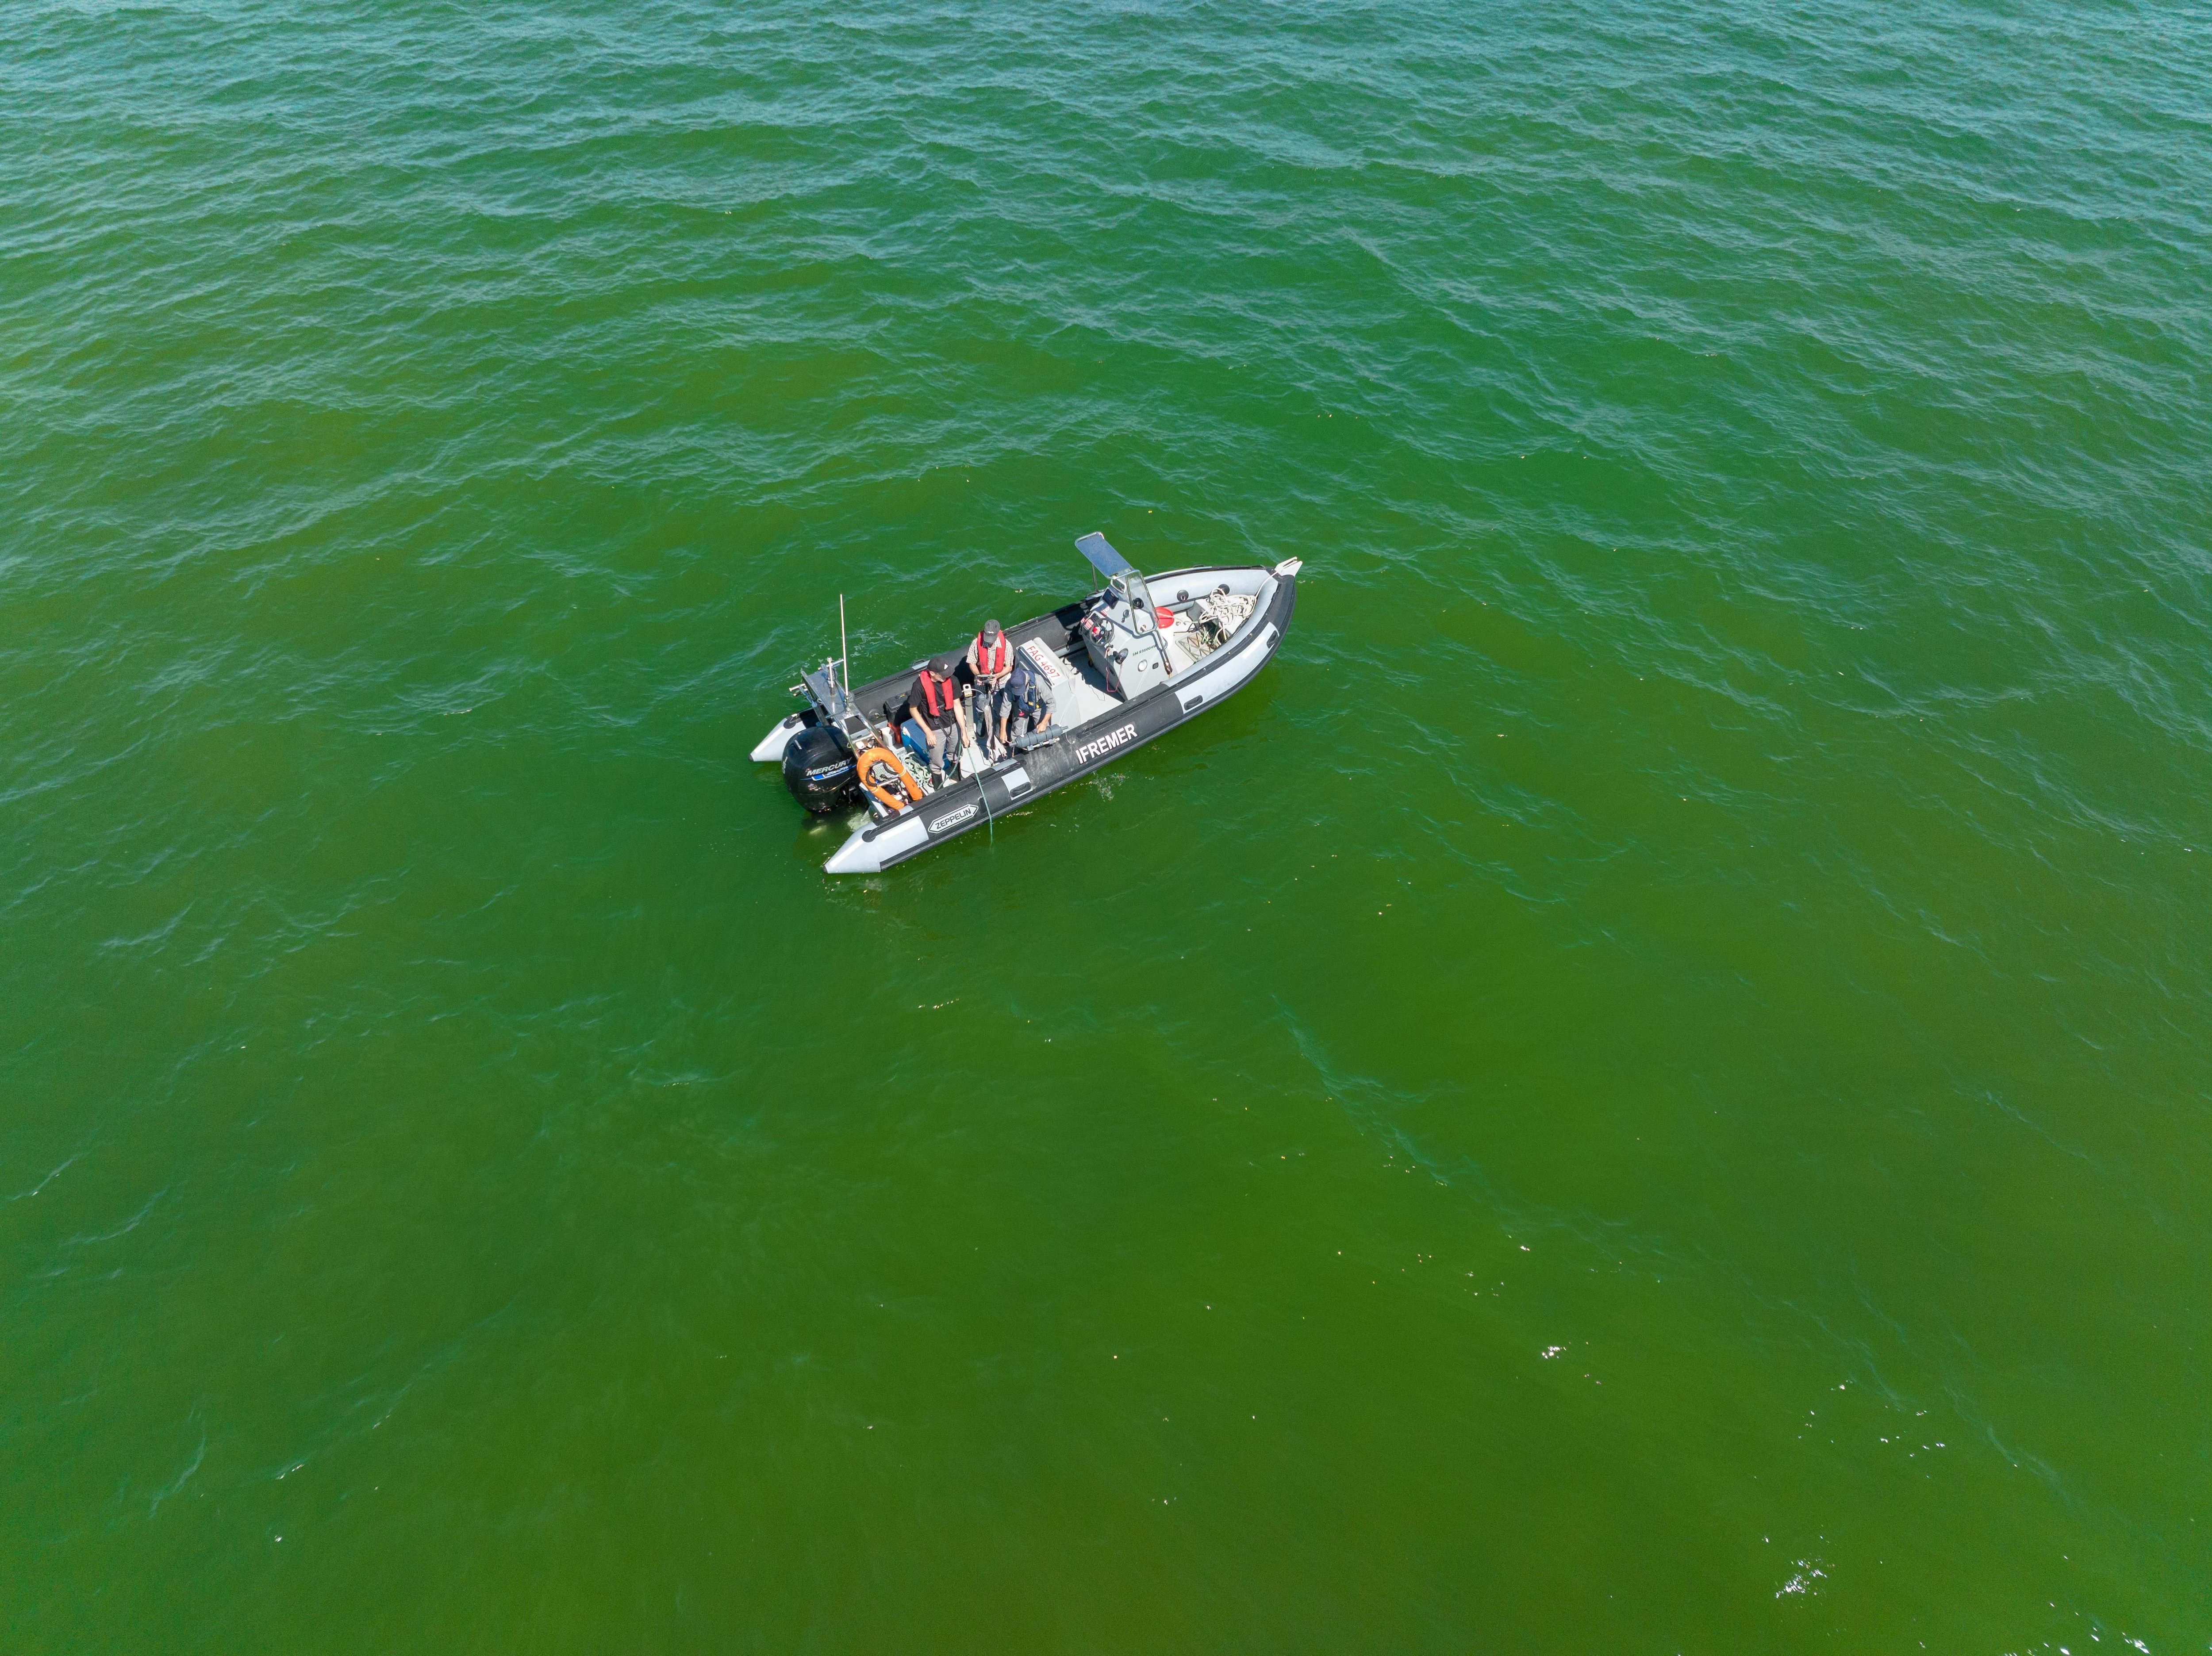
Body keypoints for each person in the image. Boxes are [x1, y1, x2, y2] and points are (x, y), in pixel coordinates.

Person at [902, 655, 967, 786]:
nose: (946, 677)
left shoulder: (952, 680)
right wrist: (928, 732)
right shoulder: (919, 686)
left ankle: (956, 776)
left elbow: (957, 705)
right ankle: (938, 785)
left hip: (952, 721)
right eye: (942, 675)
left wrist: (964, 732)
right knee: (936, 760)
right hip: (934, 726)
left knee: (955, 752)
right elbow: (913, 710)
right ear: (932, 673)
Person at [965, 619, 1015, 757]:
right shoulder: (977, 643)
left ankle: (1001, 729)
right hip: (983, 679)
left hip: (1001, 679)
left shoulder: (1007, 645)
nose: (990, 641)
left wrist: (998, 676)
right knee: (981, 706)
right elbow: (972, 663)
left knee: (1001, 707)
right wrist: (979, 675)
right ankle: (982, 723)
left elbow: (1009, 667)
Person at [1004, 659, 1053, 746]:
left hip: (1038, 707)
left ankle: (1044, 747)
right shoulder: (1010, 684)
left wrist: (1044, 723)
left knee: (1043, 732)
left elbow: (1051, 703)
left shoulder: (1039, 683)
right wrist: (1003, 730)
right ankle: (1016, 751)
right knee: (1017, 733)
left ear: (1026, 682)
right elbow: (1006, 707)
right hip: (1020, 707)